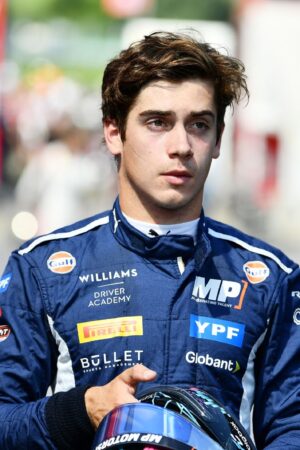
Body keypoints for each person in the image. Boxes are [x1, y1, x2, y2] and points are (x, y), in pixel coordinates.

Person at [0, 31, 299, 450]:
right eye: (157, 122)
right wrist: (82, 411)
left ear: (217, 140)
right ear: (113, 133)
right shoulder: (41, 269)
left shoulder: (272, 278)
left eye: (199, 124)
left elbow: (292, 426)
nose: (180, 146)